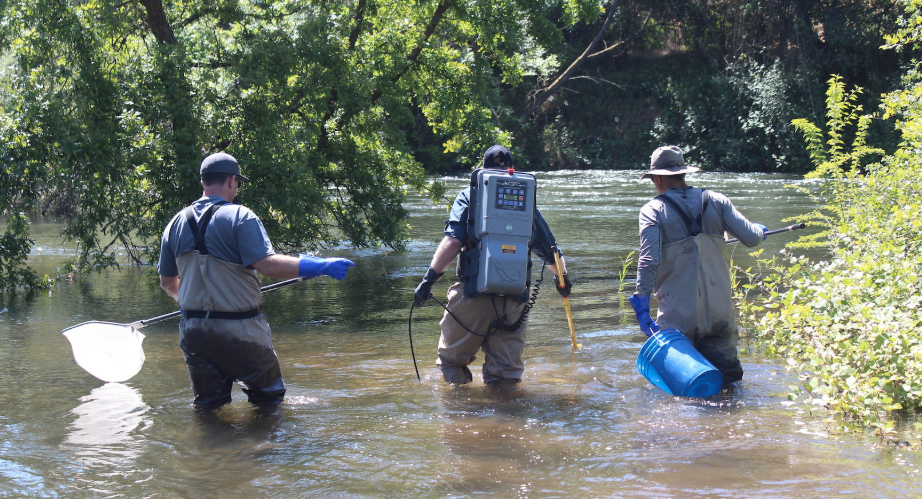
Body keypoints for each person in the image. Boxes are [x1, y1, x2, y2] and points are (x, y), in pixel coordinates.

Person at [158, 152, 355, 410]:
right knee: (269, 401)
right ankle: (264, 449)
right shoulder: (241, 216)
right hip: (239, 330)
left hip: (193, 330)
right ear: (232, 181)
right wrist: (319, 265)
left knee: (208, 406)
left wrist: (186, 302)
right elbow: (267, 265)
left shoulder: (175, 223)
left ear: (203, 182)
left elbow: (167, 282)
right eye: (238, 183)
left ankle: (210, 449)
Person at [413, 145, 571, 386]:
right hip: (514, 300)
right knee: (505, 375)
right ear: (511, 171)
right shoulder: (526, 199)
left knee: (451, 362)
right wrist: (563, 280)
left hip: (473, 295)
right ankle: (505, 419)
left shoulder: (469, 195)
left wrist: (428, 281)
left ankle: (458, 415)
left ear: (483, 169)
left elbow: (454, 241)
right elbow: (550, 250)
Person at [629, 145, 767, 387]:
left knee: (687, 386)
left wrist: (641, 301)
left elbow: (649, 260)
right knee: (729, 383)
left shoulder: (652, 210)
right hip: (719, 312)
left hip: (679, 315)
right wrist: (759, 230)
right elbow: (752, 238)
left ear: (657, 178)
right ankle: (733, 422)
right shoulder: (717, 200)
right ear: (683, 173)